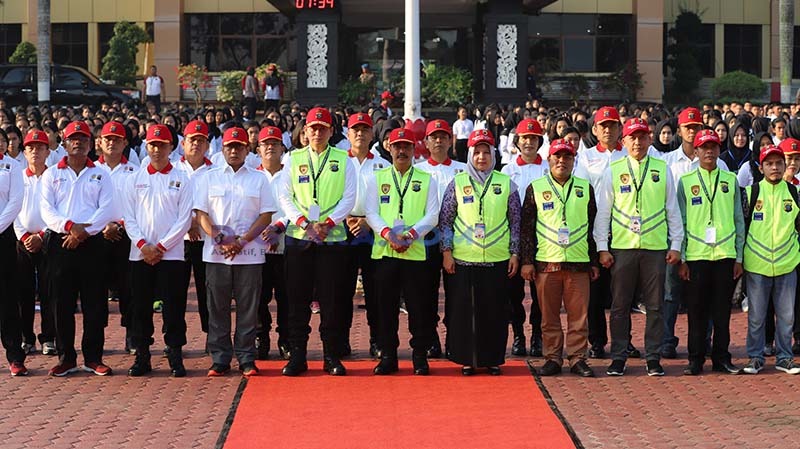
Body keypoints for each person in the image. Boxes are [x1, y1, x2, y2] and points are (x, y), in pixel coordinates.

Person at [594, 118, 684, 377]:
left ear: (649, 139)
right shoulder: (614, 169)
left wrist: (676, 244)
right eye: (632, 137)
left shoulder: (661, 168)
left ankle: (653, 357)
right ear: (624, 141)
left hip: (655, 248)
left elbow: (672, 209)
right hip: (622, 248)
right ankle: (619, 356)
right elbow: (604, 212)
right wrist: (603, 247)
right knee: (620, 305)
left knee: (655, 306)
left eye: (642, 137)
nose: (637, 141)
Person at [276, 107, 356, 376]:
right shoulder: (292, 159)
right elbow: (285, 196)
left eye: (323, 128)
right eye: (313, 128)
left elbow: (349, 197)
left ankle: (331, 356)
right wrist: (304, 223)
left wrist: (329, 223)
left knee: (331, 300)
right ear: (305, 131)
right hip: (299, 238)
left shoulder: (344, 159)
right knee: (297, 300)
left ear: (331, 132)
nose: (317, 132)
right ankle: (298, 355)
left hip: (332, 240)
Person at [195, 127, 275, 377]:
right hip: (216, 254)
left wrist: (241, 240)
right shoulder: (209, 177)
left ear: (247, 149)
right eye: (230, 146)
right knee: (216, 307)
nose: (234, 150)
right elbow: (201, 214)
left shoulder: (258, 178)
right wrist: (221, 239)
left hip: (249, 253)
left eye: (239, 146)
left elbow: (266, 215)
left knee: (248, 308)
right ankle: (220, 358)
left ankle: (246, 357)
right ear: (223, 148)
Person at [439, 129, 520, 375]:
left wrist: (515, 253)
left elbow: (515, 221)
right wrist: (446, 251)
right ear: (470, 155)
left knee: (495, 312)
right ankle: (467, 359)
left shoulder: (507, 183)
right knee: (465, 312)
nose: (482, 157)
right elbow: (446, 220)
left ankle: (492, 359)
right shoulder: (458, 183)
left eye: (487, 152)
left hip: (497, 259)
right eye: (477, 152)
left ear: (494, 154)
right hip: (464, 260)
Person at [40, 121, 115, 377]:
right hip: (61, 243)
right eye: (73, 138)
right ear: (64, 140)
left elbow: (106, 209)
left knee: (94, 302)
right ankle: (66, 357)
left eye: (83, 138)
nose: (78, 142)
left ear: (91, 142)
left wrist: (84, 232)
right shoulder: (52, 174)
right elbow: (47, 211)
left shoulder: (101, 173)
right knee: (61, 303)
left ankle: (93, 357)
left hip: (92, 243)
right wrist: (71, 227)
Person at [520, 138, 598, 377]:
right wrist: (526, 261)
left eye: (567, 157)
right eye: (558, 156)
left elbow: (592, 226)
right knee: (549, 317)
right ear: (549, 159)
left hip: (578, 262)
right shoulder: (536, 187)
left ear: (574, 160)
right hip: (546, 262)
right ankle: (552, 357)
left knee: (579, 317)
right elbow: (527, 227)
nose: (562, 161)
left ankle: (577, 358)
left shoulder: (585, 187)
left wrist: (593, 261)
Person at [366, 128, 439, 375]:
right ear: (389, 148)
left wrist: (409, 235)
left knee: (419, 308)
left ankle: (420, 356)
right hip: (385, 252)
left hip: (415, 252)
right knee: (385, 308)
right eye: (397, 146)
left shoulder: (427, 179)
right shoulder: (377, 178)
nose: (402, 151)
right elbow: (371, 212)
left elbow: (432, 215)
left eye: (406, 146)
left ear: (413, 149)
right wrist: (389, 235)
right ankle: (388, 356)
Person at [123, 124, 193, 377]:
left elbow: (185, 218)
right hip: (139, 253)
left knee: (174, 306)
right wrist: (143, 245)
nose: (157, 149)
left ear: (171, 147)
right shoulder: (135, 178)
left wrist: (161, 247)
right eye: (152, 144)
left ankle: (175, 352)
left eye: (162, 145)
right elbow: (128, 216)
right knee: (140, 307)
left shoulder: (182, 179)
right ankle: (142, 355)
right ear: (146, 146)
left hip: (171, 254)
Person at [660, 108, 730, 359]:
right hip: (673, 239)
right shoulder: (666, 162)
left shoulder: (718, 163)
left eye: (696, 127)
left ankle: (706, 341)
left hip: (706, 245)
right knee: (670, 294)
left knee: (706, 296)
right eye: (687, 127)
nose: (692, 131)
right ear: (679, 131)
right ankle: (667, 340)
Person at [676, 130, 745, 375]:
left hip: (725, 256)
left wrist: (739, 257)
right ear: (695, 151)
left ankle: (721, 357)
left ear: (719, 150)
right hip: (696, 257)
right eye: (704, 147)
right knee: (696, 312)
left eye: (713, 147)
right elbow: (680, 221)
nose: (709, 151)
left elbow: (739, 220)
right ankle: (695, 358)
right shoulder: (685, 182)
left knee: (722, 312)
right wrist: (682, 258)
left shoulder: (730, 180)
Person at [741, 144, 800, 375]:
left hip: (787, 265)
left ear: (785, 166)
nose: (774, 167)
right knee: (756, 317)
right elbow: (741, 229)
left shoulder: (794, 194)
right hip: (757, 265)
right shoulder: (750, 193)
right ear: (761, 167)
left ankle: (784, 357)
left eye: (778, 163)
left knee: (787, 317)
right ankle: (755, 357)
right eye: (769, 163)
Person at [415, 119, 467, 358]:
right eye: (433, 137)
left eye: (443, 136)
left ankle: (455, 339)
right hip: (425, 238)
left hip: (458, 239)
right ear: (426, 142)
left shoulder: (463, 170)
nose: (438, 141)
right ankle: (430, 338)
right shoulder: (417, 170)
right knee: (426, 291)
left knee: (457, 293)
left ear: (450, 140)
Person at [343, 113, 390, 358]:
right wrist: (346, 218)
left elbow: (390, 202)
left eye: (365, 130)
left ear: (372, 134)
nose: (360, 134)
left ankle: (377, 340)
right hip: (342, 228)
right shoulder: (338, 162)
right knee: (341, 288)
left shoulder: (383, 164)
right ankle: (340, 340)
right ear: (348, 134)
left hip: (373, 231)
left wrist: (368, 223)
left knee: (376, 289)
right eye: (355, 130)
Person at [501, 118, 547, 357]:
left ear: (540, 141)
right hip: (513, 239)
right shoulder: (507, 170)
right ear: (517, 141)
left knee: (540, 293)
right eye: (524, 138)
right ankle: (518, 334)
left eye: (533, 138)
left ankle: (538, 335)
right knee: (513, 293)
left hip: (542, 239)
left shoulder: (549, 168)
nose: (528, 142)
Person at [95, 121, 138, 353]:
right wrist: (102, 226)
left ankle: (132, 335)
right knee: (96, 290)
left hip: (126, 237)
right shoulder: (90, 170)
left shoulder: (134, 171)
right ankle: (97, 338)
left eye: (117, 139)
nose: (111, 143)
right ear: (99, 142)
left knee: (128, 289)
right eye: (107, 139)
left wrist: (119, 225)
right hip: (97, 237)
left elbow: (136, 206)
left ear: (125, 143)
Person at [15, 130, 56, 359]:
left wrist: (42, 235)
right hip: (22, 242)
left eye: (40, 147)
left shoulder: (55, 177)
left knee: (50, 292)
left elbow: (58, 210)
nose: (35, 152)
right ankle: (26, 337)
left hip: (48, 240)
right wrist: (24, 237)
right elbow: (13, 209)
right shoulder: (18, 178)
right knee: (24, 292)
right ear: (24, 151)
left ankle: (49, 337)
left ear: (47, 151)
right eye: (30, 147)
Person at [175, 120, 214, 339]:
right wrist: (188, 223)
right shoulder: (173, 169)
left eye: (201, 141)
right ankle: (175, 339)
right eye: (192, 140)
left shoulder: (215, 172)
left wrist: (197, 223)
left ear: (207, 145)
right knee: (176, 292)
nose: (196, 145)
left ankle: (211, 335)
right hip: (177, 240)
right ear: (183, 143)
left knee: (206, 290)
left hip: (205, 239)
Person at [254, 126, 290, 360]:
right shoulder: (251, 176)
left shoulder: (292, 174)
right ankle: (261, 336)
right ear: (258, 149)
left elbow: (300, 205)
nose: (270, 147)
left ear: (282, 148)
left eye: (274, 144)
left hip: (287, 243)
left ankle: (286, 339)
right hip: (257, 247)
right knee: (259, 296)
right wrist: (262, 233)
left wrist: (280, 227)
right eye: (265, 144)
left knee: (287, 296)